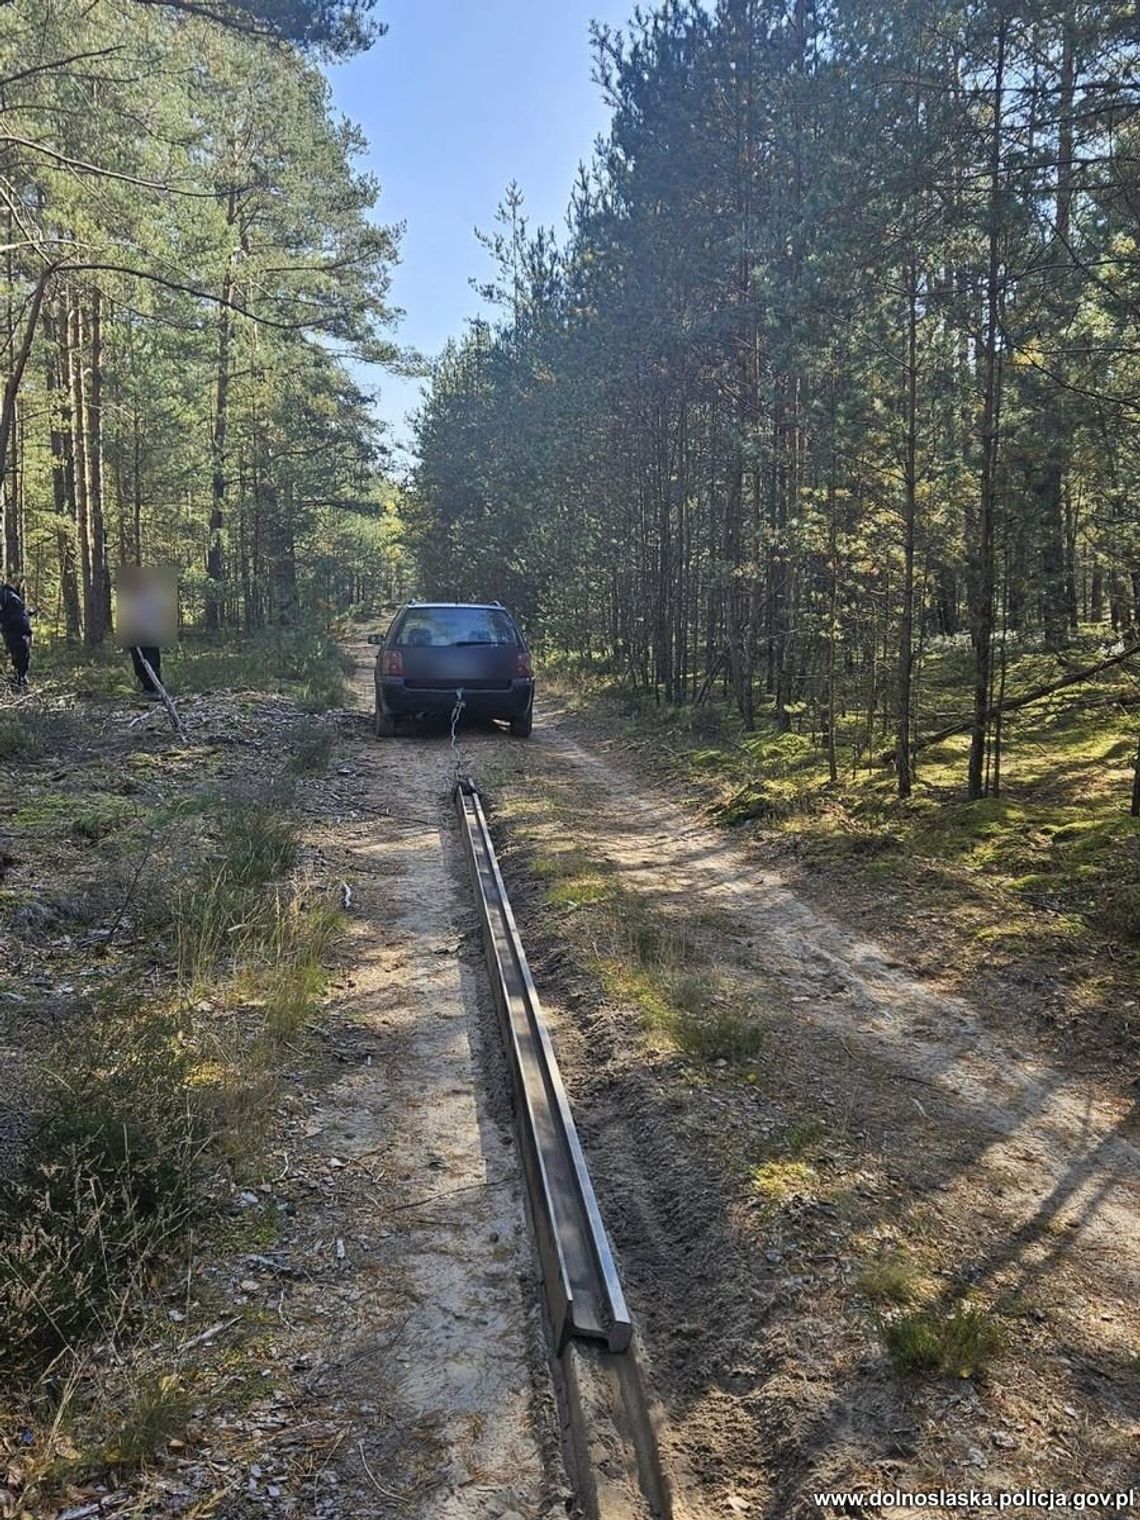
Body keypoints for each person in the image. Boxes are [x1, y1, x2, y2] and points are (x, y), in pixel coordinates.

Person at [0, 580, 32, 689]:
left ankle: (19, 681)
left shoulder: (9, 596)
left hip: (13, 633)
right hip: (16, 634)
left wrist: (28, 613)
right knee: (21, 658)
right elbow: (16, 618)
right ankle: (19, 683)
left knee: (20, 658)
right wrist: (26, 631)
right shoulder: (11, 597)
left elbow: (16, 614)